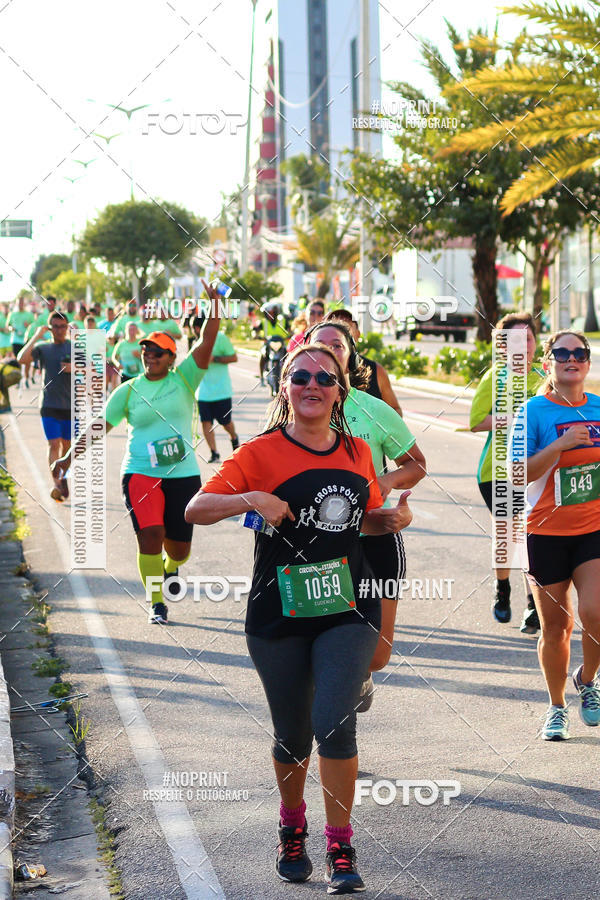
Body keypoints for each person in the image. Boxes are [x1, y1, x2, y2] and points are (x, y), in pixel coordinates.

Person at [185, 344, 412, 894]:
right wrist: (251, 498)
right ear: (284, 387)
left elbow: (366, 525)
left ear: (340, 390)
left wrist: (393, 518)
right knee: (292, 735)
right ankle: (292, 825)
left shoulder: (359, 451)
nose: (312, 384)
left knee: (334, 719)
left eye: (324, 377)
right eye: (300, 376)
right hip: (277, 612)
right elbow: (196, 508)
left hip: (347, 607)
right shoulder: (260, 453)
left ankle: (340, 844)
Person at [52, 285, 220, 624]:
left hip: (183, 474)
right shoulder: (128, 390)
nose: (150, 355)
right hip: (140, 472)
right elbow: (99, 427)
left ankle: (170, 569)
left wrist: (214, 306)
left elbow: (206, 340)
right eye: (147, 351)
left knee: (179, 550)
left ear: (172, 358)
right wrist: (67, 459)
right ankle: (157, 602)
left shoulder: (185, 379)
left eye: (158, 352)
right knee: (150, 536)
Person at [305, 322, 426, 709]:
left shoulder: (372, 409)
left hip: (375, 538)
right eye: (319, 345)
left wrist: (385, 481)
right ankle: (330, 713)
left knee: (376, 655)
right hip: (317, 543)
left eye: (337, 345)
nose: (328, 351)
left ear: (349, 356)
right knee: (322, 641)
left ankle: (362, 674)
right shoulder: (292, 406)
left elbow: (416, 463)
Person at [510, 330, 600, 740]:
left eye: (579, 353)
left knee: (596, 612)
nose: (571, 358)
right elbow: (516, 475)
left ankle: (587, 679)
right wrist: (561, 445)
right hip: (544, 531)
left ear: (587, 362)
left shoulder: (599, 407)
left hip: (592, 528)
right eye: (561, 352)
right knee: (557, 628)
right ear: (547, 362)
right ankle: (557, 705)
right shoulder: (532, 412)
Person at [470, 312, 544, 632]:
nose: (524, 345)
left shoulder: (544, 377)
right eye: (515, 339)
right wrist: (515, 418)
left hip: (539, 471)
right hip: (499, 469)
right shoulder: (496, 377)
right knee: (510, 534)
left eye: (528, 338)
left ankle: (534, 605)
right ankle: (503, 590)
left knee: (532, 536)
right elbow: (476, 421)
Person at [18, 312, 71, 501]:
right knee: (53, 444)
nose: (59, 330)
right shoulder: (43, 347)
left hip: (70, 407)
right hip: (49, 404)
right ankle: (57, 483)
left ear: (67, 327)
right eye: (55, 326)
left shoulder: (75, 347)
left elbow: (93, 370)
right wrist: (36, 335)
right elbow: (22, 359)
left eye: (62, 326)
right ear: (50, 328)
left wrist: (76, 369)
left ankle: (62, 475)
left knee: (67, 446)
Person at [324, 309, 403, 416]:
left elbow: (395, 411)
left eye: (347, 328)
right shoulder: (308, 374)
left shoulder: (376, 371)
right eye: (334, 326)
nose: (340, 333)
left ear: (357, 335)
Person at [195, 320, 239, 463]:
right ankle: (214, 452)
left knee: (226, 423)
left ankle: (234, 438)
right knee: (205, 422)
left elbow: (234, 357)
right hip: (203, 392)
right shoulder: (198, 341)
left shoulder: (220, 338)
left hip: (221, 391)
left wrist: (215, 359)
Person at [259, 303, 288, 386]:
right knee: (262, 356)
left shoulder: (282, 320)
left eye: (272, 312)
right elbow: (256, 330)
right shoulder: (263, 322)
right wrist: (256, 335)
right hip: (268, 345)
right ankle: (261, 378)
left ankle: (288, 376)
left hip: (281, 345)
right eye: (268, 313)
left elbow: (289, 329)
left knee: (288, 357)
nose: (270, 314)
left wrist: (290, 334)